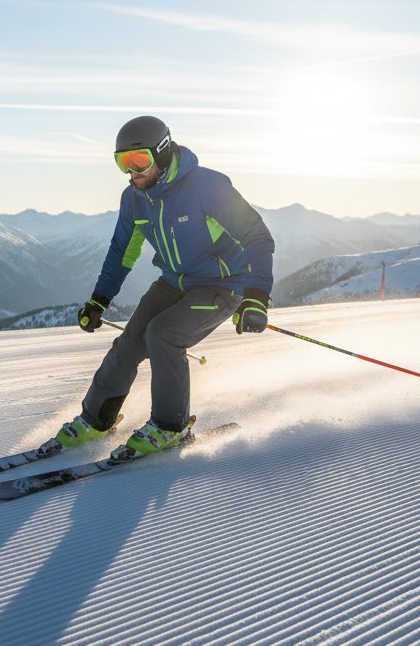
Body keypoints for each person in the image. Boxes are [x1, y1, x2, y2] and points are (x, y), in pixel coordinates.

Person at [48, 114, 275, 458]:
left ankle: (171, 426)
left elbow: (257, 237)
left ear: (164, 152)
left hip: (222, 285)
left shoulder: (208, 187)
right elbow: (121, 252)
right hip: (172, 282)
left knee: (163, 334)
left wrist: (256, 298)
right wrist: (99, 300)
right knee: (129, 343)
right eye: (123, 162)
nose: (132, 172)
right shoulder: (134, 199)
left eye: (139, 161)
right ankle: (95, 420)